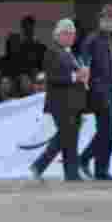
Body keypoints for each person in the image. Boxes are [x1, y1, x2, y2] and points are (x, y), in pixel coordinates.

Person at [30, 19, 88, 182]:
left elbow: (76, 75)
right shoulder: (52, 52)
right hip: (60, 102)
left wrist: (82, 73)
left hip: (73, 102)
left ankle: (71, 173)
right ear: (58, 35)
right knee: (66, 135)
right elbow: (53, 77)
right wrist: (76, 76)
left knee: (69, 137)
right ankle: (40, 165)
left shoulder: (69, 53)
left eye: (73, 33)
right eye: (67, 33)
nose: (71, 36)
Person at [78, 3, 112, 181]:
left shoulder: (110, 42)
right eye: (107, 19)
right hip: (96, 90)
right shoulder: (92, 40)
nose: (110, 23)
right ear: (100, 20)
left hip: (108, 91)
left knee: (108, 130)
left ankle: (97, 167)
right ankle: (90, 162)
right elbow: (83, 64)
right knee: (107, 130)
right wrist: (86, 87)